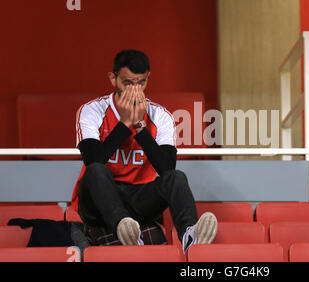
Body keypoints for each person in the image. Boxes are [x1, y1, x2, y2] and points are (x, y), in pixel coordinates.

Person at [71, 49, 217, 252]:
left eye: (140, 82)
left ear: (148, 79)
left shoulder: (160, 115)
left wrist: (139, 125)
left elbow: (167, 168)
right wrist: (124, 123)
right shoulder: (92, 110)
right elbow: (93, 160)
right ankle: (124, 228)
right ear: (113, 78)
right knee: (96, 171)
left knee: (176, 177)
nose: (134, 89)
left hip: (139, 198)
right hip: (99, 201)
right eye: (127, 82)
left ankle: (190, 235)